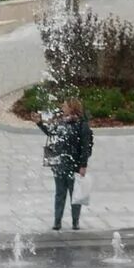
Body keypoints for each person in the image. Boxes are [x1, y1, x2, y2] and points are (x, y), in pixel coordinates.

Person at [37, 97, 93, 230]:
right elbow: (51, 132)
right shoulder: (61, 122)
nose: (62, 107)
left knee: (76, 195)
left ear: (72, 108)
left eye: (65, 105)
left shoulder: (82, 125)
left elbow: (85, 147)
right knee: (59, 193)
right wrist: (40, 123)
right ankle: (57, 221)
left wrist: (83, 165)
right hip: (60, 164)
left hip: (74, 165)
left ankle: (75, 222)